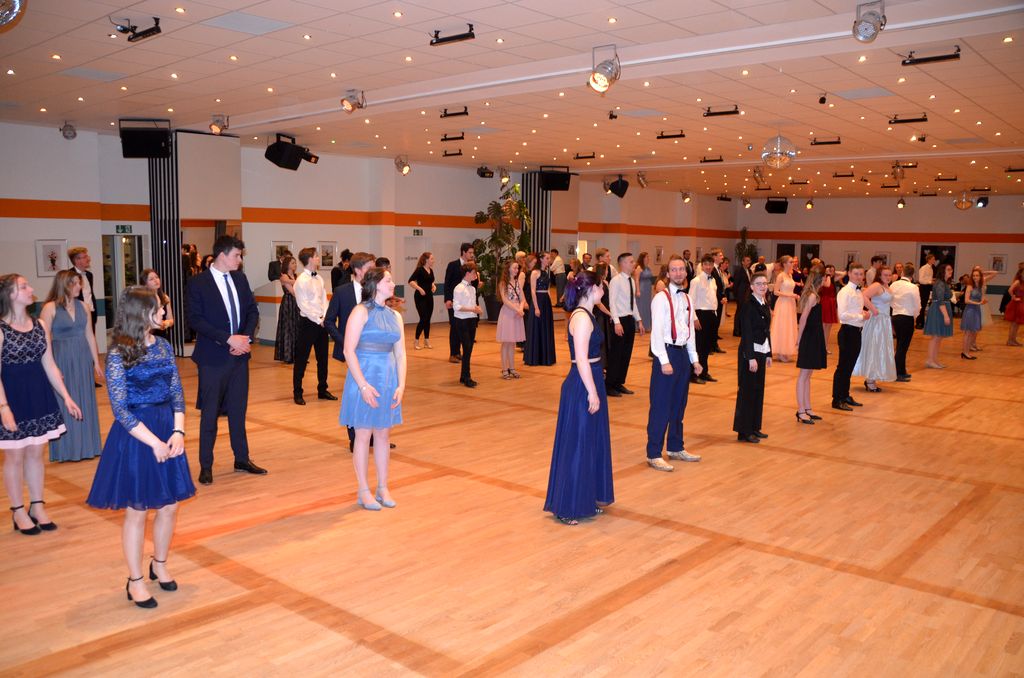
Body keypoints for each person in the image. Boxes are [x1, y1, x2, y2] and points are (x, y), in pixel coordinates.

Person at [86, 287, 195, 608]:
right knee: (137, 511)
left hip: (166, 428)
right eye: (158, 308)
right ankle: (134, 580)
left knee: (169, 506)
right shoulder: (118, 353)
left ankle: (159, 563)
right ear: (141, 313)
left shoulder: (163, 346)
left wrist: (178, 431)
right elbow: (120, 410)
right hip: (137, 436)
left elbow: (176, 393)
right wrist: (155, 443)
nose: (163, 312)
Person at [0, 274, 82, 535]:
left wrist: (66, 396)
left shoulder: (39, 325)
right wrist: (3, 407)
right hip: (11, 398)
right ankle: (18, 510)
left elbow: (49, 364)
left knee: (36, 453)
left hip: (39, 394)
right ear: (10, 294)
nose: (31, 289)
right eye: (24, 286)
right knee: (14, 456)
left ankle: (37, 506)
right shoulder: (0, 330)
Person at [186, 234, 266, 486]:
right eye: (237, 255)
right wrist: (228, 339)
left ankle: (241, 458)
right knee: (210, 414)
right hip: (213, 358)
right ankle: (206, 465)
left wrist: (245, 339)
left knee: (238, 411)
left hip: (239, 357)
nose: (240, 260)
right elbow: (195, 320)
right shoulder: (198, 283)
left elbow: (252, 311)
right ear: (222, 255)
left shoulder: (240, 279)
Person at [543, 271, 613, 524]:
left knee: (590, 442)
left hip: (591, 379)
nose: (604, 290)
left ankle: (585, 498)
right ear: (592, 289)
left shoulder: (587, 314)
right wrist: (592, 391)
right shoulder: (582, 318)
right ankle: (567, 505)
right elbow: (581, 359)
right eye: (602, 286)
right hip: (583, 384)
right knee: (578, 445)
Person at [338, 268, 406, 511]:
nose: (393, 283)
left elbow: (401, 354)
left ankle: (383, 487)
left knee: (383, 435)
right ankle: (363, 490)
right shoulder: (360, 312)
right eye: (388, 280)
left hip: (387, 379)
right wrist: (363, 385)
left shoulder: (395, 315)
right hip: (364, 378)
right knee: (363, 435)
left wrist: (401, 385)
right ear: (376, 284)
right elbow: (348, 351)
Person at [646, 255, 702, 471]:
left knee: (679, 404)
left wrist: (694, 359)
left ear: (685, 272)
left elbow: (689, 332)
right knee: (661, 405)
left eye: (681, 269)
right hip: (667, 354)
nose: (678, 273)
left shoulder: (687, 298)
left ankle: (675, 447)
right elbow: (657, 333)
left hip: (682, 355)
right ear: (667, 274)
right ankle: (653, 453)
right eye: (674, 270)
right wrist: (663, 360)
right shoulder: (660, 299)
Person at [39, 270, 102, 462]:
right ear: (64, 285)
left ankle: (89, 447)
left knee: (85, 398)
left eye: (79, 282)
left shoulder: (83, 306)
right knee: (65, 400)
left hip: (82, 357)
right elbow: (44, 339)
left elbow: (90, 335)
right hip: (61, 357)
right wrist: (51, 364)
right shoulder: (50, 308)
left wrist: (96, 362)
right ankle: (66, 450)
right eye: (75, 283)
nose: (79, 286)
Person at [327, 252, 380, 452]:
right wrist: (345, 343)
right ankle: (354, 437)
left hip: (373, 352)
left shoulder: (375, 291)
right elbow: (329, 321)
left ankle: (375, 434)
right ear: (358, 270)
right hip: (352, 352)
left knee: (374, 391)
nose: (374, 272)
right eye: (370, 268)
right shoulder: (342, 291)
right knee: (355, 393)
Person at [292, 248, 336, 406]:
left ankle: (322, 389)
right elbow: (303, 305)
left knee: (323, 358)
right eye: (316, 256)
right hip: (308, 323)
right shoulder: (301, 281)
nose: (318, 258)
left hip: (322, 322)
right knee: (301, 359)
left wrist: (325, 317)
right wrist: (318, 319)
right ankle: (297, 392)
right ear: (310, 259)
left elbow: (324, 299)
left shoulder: (319, 278)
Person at [734, 271, 772, 443]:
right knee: (747, 392)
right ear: (751, 287)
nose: (762, 286)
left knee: (758, 390)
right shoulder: (748, 305)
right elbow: (747, 333)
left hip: (762, 351)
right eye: (759, 284)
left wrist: (769, 352)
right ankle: (744, 431)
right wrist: (750, 357)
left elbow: (766, 330)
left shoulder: (764, 303)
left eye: (764, 283)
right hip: (750, 353)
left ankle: (755, 427)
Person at [831, 263, 870, 411]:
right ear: (849, 274)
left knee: (849, 367)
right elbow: (842, 315)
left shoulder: (858, 291)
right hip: (847, 332)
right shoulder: (845, 292)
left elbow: (854, 311)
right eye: (856, 274)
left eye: (861, 274)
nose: (859, 277)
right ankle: (837, 399)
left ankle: (845, 395)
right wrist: (861, 316)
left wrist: (863, 314)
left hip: (856, 332)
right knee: (843, 367)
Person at [853, 265, 897, 392]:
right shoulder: (877, 285)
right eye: (885, 275)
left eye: (889, 275)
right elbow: (863, 296)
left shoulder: (887, 287)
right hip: (876, 321)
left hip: (884, 321)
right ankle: (870, 380)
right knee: (875, 348)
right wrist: (873, 309)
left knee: (880, 349)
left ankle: (872, 377)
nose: (888, 277)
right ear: (879, 275)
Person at [606, 252, 645, 395]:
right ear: (622, 264)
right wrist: (616, 322)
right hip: (620, 320)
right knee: (616, 354)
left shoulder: (631, 281)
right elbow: (612, 303)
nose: (634, 264)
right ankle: (609, 385)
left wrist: (639, 320)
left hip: (629, 320)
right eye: (631, 261)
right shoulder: (616, 281)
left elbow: (632, 303)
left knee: (626, 354)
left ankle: (619, 382)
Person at [795, 266, 826, 424]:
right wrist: (799, 339)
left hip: (814, 336)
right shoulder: (812, 296)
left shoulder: (815, 295)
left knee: (808, 375)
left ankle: (807, 408)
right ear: (821, 279)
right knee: (803, 375)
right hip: (809, 336)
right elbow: (803, 318)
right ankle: (801, 410)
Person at [690, 254, 719, 385]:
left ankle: (704, 372)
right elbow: (690, 301)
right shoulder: (696, 281)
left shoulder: (713, 280)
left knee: (707, 347)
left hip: (711, 315)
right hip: (700, 315)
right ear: (702, 266)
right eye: (706, 264)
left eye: (710, 264)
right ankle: (694, 374)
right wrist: (694, 318)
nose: (708, 267)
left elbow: (712, 297)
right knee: (698, 346)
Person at [890, 263, 921, 382]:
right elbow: (917, 305)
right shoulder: (913, 287)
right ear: (912, 275)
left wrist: (896, 309)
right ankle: (897, 373)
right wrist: (915, 317)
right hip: (907, 317)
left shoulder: (894, 284)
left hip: (896, 316)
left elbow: (890, 300)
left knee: (900, 344)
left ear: (902, 273)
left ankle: (901, 371)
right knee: (903, 347)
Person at [444, 243, 475, 364]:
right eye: (470, 252)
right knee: (454, 326)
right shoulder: (453, 265)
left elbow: (474, 284)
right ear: (463, 252)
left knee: (465, 327)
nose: (472, 255)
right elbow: (447, 283)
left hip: (467, 302)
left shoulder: (472, 266)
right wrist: (448, 299)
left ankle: (460, 352)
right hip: (454, 301)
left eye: (472, 253)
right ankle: (453, 353)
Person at [524, 251, 556, 366]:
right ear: (541, 259)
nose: (549, 260)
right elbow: (533, 291)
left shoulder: (546, 273)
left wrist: (550, 303)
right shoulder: (535, 272)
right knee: (537, 328)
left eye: (549, 258)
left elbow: (547, 289)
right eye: (547, 258)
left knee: (545, 328)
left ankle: (545, 358)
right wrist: (536, 307)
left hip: (546, 302)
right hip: (538, 301)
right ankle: (535, 358)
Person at [452, 263, 482, 388]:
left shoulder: (472, 288)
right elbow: (456, 307)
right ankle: (467, 377)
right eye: (474, 273)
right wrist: (472, 309)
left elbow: (472, 304)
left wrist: (477, 309)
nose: (476, 275)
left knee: (469, 349)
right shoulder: (459, 288)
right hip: (462, 320)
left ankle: (463, 376)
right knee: (467, 347)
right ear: (467, 273)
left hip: (471, 320)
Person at [496, 259, 526, 379]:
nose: (516, 270)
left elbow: (522, 299)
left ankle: (512, 368)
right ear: (508, 269)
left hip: (517, 313)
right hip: (508, 313)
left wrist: (521, 308)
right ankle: (504, 369)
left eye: (517, 268)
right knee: (506, 342)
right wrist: (517, 310)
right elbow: (505, 300)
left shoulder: (517, 282)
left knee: (512, 343)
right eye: (514, 268)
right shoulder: (503, 283)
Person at [923, 263, 954, 368]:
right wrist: (946, 315)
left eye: (951, 269)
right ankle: (930, 360)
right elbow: (940, 301)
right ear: (943, 271)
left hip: (942, 308)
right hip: (939, 310)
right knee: (936, 336)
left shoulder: (943, 282)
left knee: (939, 337)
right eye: (948, 269)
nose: (951, 271)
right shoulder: (940, 283)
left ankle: (934, 360)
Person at [770, 255, 798, 362]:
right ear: (785, 264)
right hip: (783, 303)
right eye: (791, 262)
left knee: (788, 327)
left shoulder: (790, 275)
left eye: (793, 262)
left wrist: (793, 296)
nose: (793, 264)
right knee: (782, 326)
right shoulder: (781, 276)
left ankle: (785, 351)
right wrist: (790, 295)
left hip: (790, 303)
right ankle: (780, 352)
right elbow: (775, 292)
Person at [407, 252, 436, 350]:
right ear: (426, 260)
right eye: (432, 259)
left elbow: (430, 281)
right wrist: (419, 289)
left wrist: (433, 285)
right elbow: (410, 281)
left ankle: (426, 341)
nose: (433, 261)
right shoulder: (419, 270)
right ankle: (416, 340)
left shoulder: (431, 270)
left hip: (429, 296)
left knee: (428, 319)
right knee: (423, 318)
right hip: (420, 297)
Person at [274, 255, 299, 364]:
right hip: (288, 304)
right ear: (287, 264)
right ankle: (288, 356)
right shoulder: (283, 276)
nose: (295, 265)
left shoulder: (296, 276)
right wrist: (300, 283)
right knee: (288, 328)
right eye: (293, 263)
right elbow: (293, 292)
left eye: (295, 263)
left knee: (297, 328)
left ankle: (297, 356)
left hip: (297, 304)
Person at [67, 246, 98, 334]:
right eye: (85, 257)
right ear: (77, 260)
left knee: (91, 338)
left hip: (91, 312)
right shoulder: (69, 275)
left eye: (86, 256)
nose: (88, 259)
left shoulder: (89, 275)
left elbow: (89, 294)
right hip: (77, 314)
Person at [141, 269, 175, 340]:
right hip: (148, 336)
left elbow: (171, 320)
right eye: (151, 279)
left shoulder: (165, 297)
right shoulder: (143, 299)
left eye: (156, 277)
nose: (156, 280)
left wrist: (166, 323)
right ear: (145, 284)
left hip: (162, 336)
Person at [960, 268, 986, 359]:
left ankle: (966, 352)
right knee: (968, 332)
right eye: (974, 275)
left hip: (976, 310)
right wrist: (978, 303)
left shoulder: (980, 287)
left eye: (977, 275)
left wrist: (983, 301)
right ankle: (965, 352)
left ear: (980, 277)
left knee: (972, 332)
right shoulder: (970, 286)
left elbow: (982, 298)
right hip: (970, 310)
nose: (975, 277)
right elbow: (966, 300)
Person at [709, 248, 728, 352]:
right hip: (715, 301)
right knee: (713, 324)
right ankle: (711, 346)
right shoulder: (712, 270)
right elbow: (712, 287)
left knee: (716, 324)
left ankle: (714, 345)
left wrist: (723, 296)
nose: (722, 257)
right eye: (720, 255)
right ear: (714, 257)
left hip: (719, 300)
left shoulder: (718, 269)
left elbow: (720, 286)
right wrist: (720, 298)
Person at [819, 264, 840, 353]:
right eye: (829, 270)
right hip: (825, 302)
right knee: (824, 326)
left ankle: (825, 346)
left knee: (829, 326)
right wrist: (827, 274)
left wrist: (833, 272)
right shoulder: (823, 279)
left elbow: (844, 274)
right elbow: (827, 285)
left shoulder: (832, 279)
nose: (831, 272)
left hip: (831, 303)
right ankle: (821, 347)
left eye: (832, 271)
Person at [731, 254, 752, 337]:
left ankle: (742, 330)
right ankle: (736, 331)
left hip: (747, 295)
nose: (749, 262)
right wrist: (736, 296)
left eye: (749, 261)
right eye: (747, 261)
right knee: (739, 313)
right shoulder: (739, 270)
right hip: (741, 295)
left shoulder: (749, 271)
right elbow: (735, 284)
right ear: (742, 262)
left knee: (744, 313)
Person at [916, 253, 936, 329]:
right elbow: (921, 280)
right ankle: (919, 323)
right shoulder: (924, 268)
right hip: (923, 288)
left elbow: (927, 278)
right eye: (933, 259)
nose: (934, 260)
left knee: (924, 306)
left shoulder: (931, 268)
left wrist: (932, 280)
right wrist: (930, 282)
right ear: (929, 260)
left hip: (927, 288)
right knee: (922, 306)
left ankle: (922, 323)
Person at [1006, 266, 1024, 346]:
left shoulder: (1022, 282)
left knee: (1017, 324)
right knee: (1014, 324)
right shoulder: (1018, 281)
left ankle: (1013, 340)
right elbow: (1010, 290)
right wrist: (1014, 297)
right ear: (1020, 273)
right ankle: (1010, 341)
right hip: (1016, 304)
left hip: (1021, 303)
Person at [636, 252, 653, 331]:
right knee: (642, 307)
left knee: (647, 307)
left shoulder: (648, 267)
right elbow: (636, 280)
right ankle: (640, 326)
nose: (648, 258)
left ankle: (647, 325)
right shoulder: (639, 267)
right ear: (643, 258)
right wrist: (638, 290)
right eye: (647, 257)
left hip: (648, 288)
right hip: (642, 288)